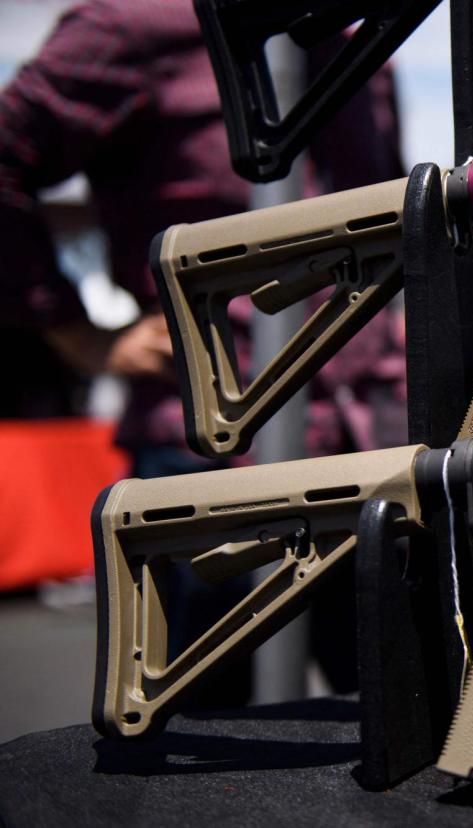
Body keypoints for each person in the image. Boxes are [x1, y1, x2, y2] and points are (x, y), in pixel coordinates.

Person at [0, 0, 408, 700]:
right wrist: (77, 332)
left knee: (402, 717)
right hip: (213, 454)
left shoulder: (364, 40)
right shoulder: (136, 25)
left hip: (377, 444)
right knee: (200, 741)